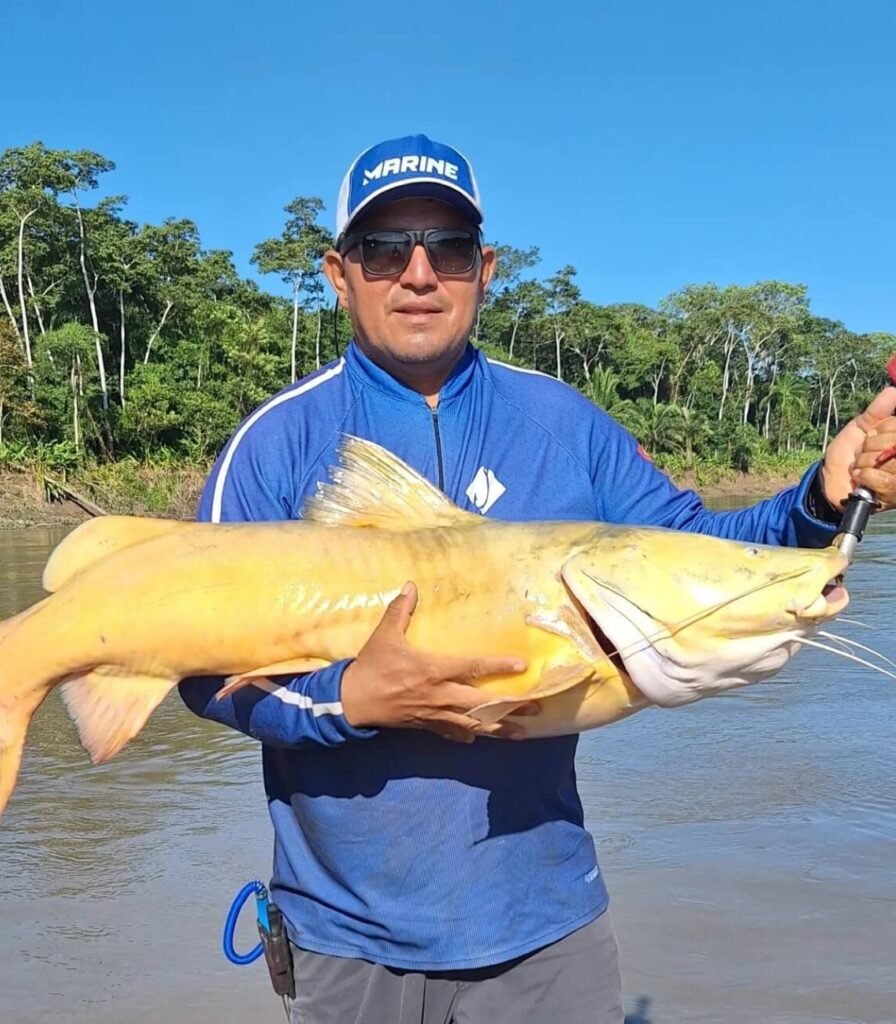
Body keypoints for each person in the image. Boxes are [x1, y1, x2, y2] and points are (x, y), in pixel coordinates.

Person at [179, 134, 896, 1023]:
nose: (416, 273)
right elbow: (200, 672)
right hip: (344, 937)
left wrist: (822, 498)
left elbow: (695, 547)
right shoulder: (276, 445)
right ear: (337, 272)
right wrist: (353, 700)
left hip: (544, 927)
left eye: (444, 247)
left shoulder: (563, 422)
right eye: (382, 248)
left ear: (484, 269)